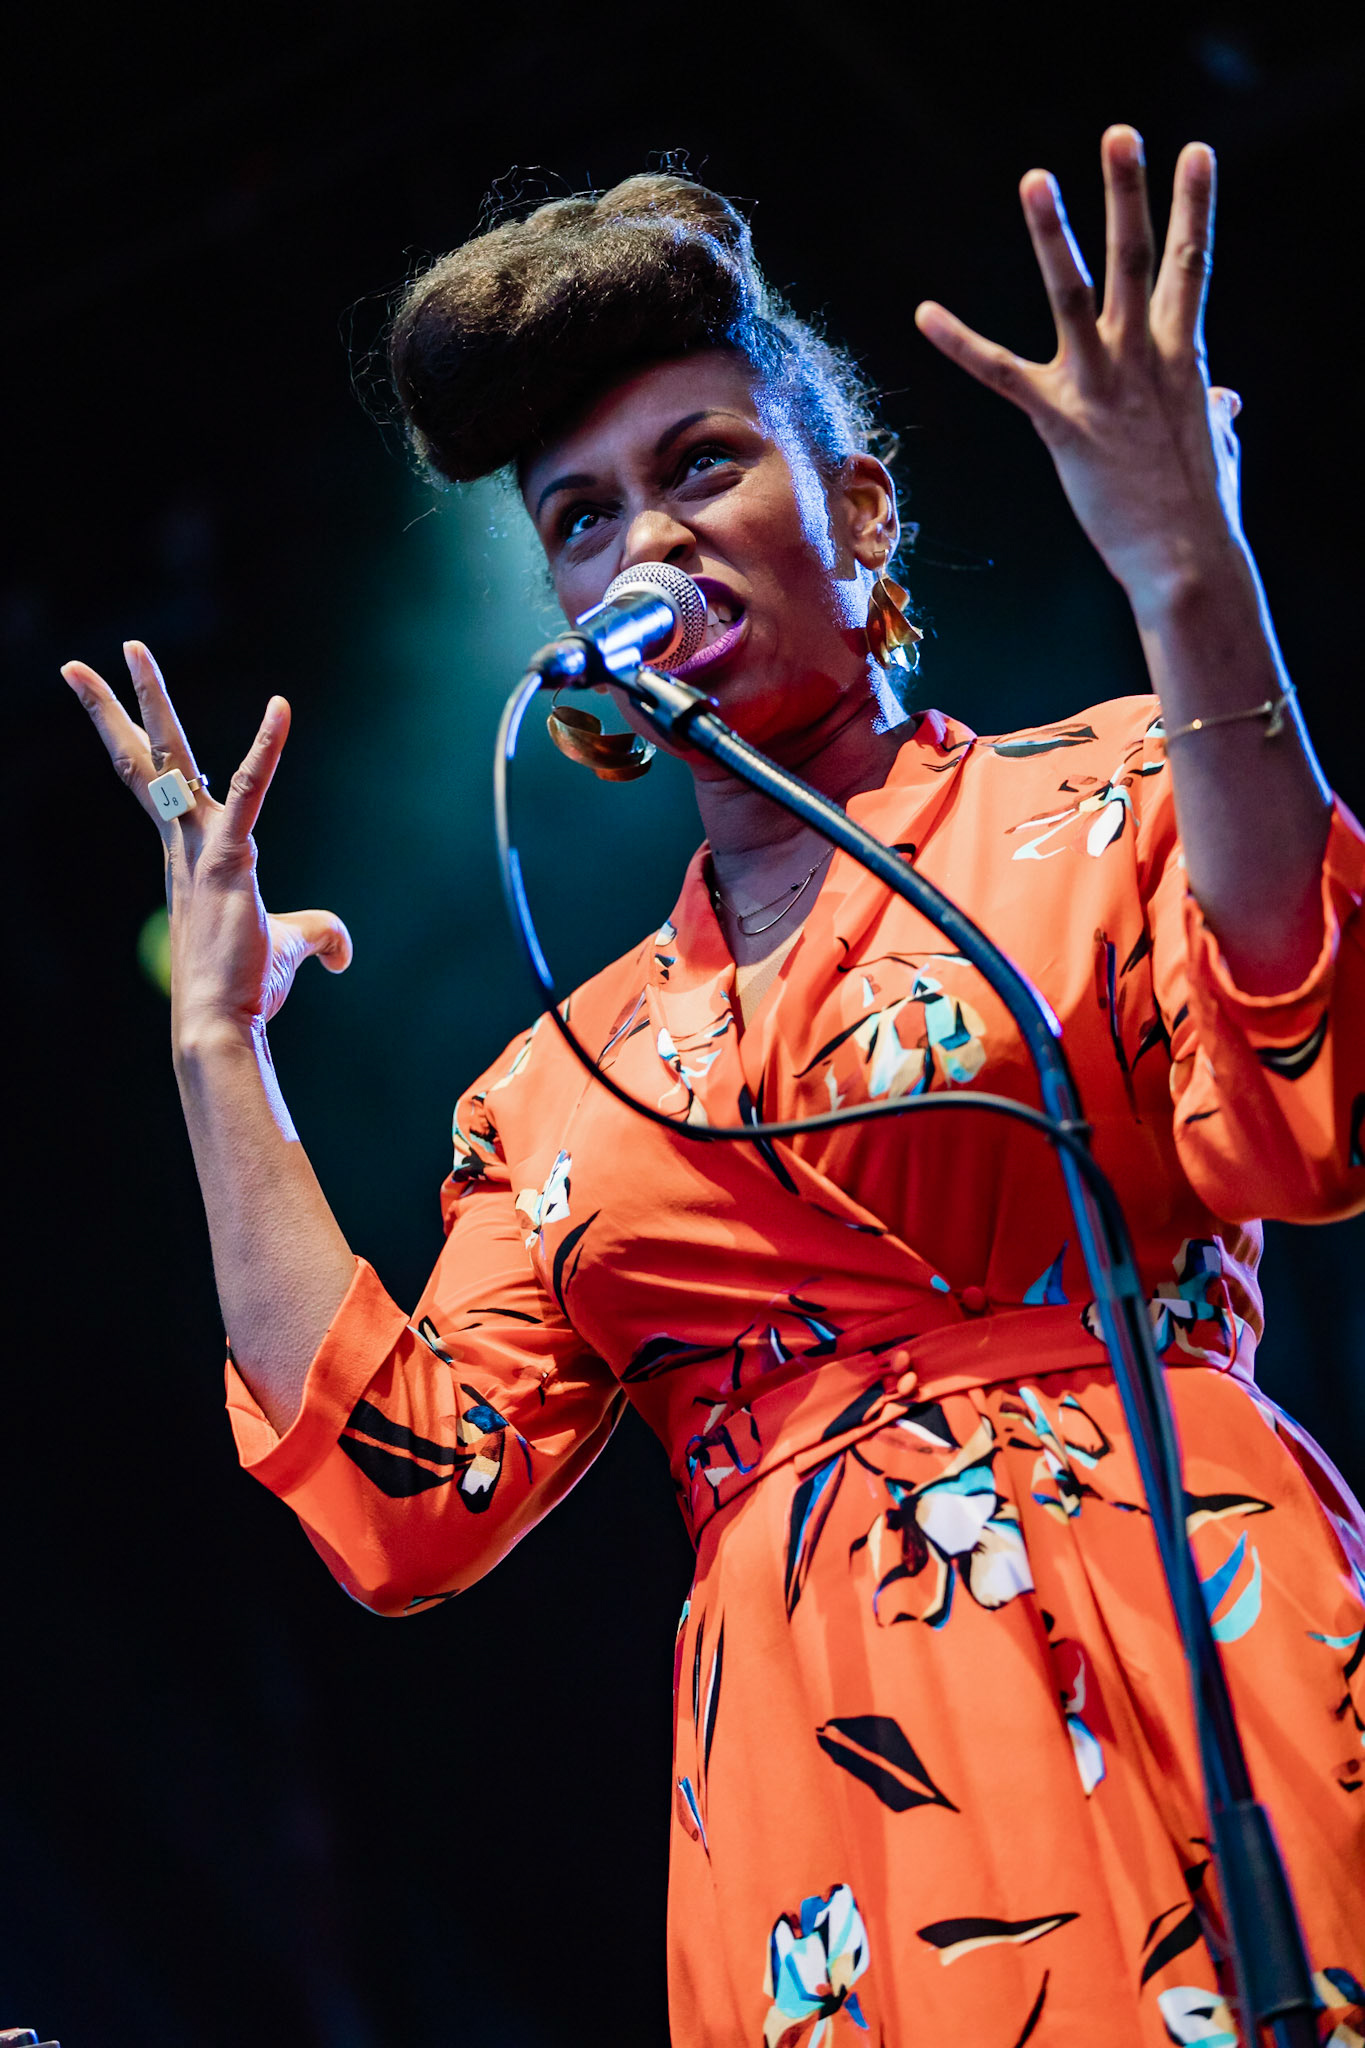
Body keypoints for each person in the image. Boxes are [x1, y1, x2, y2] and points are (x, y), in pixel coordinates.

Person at [63, 130, 1365, 2046]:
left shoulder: (1099, 805)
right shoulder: (563, 1077)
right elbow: (406, 1496)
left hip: (1186, 1622)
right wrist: (217, 1057)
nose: (643, 540)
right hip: (833, 1782)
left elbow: (1309, 1094)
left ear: (855, 507)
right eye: (580, 518)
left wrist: (1193, 578)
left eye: (699, 466)